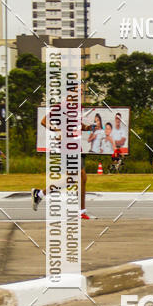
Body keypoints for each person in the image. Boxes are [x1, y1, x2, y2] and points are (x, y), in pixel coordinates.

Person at [32, 87, 94, 219]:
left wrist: (87, 127)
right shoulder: (61, 106)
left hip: (77, 146)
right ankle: (81, 211)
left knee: (76, 179)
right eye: (79, 91)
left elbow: (77, 125)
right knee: (80, 177)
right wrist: (57, 130)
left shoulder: (77, 107)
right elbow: (44, 121)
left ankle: (40, 194)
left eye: (82, 92)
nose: (81, 94)